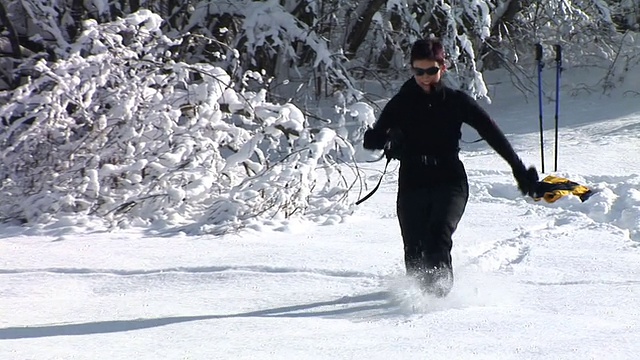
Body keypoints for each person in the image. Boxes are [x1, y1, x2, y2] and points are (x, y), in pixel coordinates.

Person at [363, 38, 539, 297]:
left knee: (437, 239)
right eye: (418, 71)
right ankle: (415, 301)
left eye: (431, 70)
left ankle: (439, 305)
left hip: (449, 179)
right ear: (412, 69)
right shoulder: (401, 102)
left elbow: (492, 133)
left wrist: (519, 169)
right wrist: (378, 139)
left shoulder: (455, 101)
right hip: (412, 180)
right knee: (414, 249)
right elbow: (377, 137)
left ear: (442, 68)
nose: (425, 77)